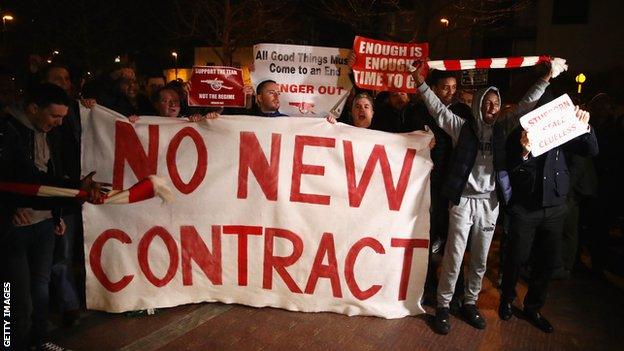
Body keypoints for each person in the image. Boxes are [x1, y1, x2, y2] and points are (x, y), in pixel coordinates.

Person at [412, 60, 552, 335]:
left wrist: (544, 81)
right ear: (477, 104)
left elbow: (525, 105)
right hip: (463, 201)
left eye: (495, 104)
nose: (491, 108)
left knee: (479, 259)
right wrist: (419, 81)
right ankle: (443, 305)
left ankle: (470, 303)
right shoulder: (461, 127)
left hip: (490, 203)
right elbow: (437, 109)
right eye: (486, 103)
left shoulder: (503, 127)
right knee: (453, 255)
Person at [1, 83, 107, 350]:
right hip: (15, 228)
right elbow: (23, 179)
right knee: (13, 295)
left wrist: (57, 212)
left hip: (44, 223)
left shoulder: (48, 134)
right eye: (54, 116)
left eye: (62, 118)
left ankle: (38, 341)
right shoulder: (7, 132)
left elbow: (51, 177)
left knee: (40, 291)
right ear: (34, 108)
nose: (59, 123)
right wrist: (11, 209)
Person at [500, 94, 598, 332]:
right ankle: (507, 300)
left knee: (546, 262)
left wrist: (585, 127)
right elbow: (509, 164)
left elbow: (591, 149)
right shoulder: (520, 132)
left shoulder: (567, 130)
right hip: (525, 207)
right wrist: (523, 152)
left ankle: (533, 307)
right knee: (515, 257)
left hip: (555, 207)